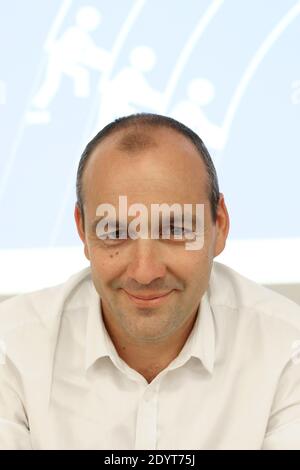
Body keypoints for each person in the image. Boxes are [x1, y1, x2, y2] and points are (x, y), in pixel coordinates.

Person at [0, 113, 300, 450]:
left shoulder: (288, 350)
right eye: (114, 232)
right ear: (82, 230)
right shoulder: (11, 350)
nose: (145, 272)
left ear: (220, 224)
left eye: (174, 230)